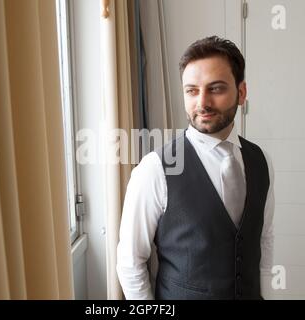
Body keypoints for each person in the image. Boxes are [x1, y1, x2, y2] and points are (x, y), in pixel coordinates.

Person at [116, 36, 274, 300]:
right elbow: (130, 262)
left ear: (242, 92)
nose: (202, 102)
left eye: (216, 88)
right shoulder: (154, 169)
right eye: (191, 90)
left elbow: (264, 240)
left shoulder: (261, 161)